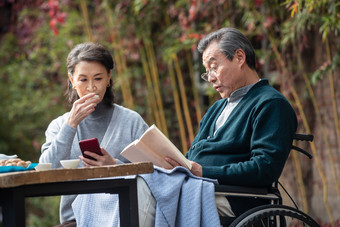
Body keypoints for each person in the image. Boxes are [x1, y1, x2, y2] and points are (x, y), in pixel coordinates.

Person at [166, 27, 298, 216]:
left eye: (214, 67)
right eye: (207, 72)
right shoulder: (216, 109)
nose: (210, 78)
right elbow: (193, 156)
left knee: (153, 199)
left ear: (239, 57)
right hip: (199, 188)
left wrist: (204, 172)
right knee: (145, 187)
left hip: (235, 198)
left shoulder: (271, 104)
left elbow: (264, 168)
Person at [39, 42, 149, 226]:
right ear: (72, 80)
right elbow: (45, 170)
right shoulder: (59, 126)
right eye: (83, 79)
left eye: (98, 78)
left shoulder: (131, 121)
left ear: (108, 77)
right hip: (75, 221)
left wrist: (115, 166)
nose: (91, 87)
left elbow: (157, 172)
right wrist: (71, 124)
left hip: (124, 216)